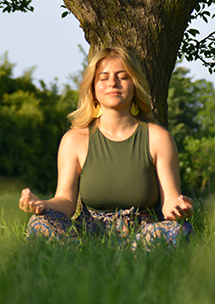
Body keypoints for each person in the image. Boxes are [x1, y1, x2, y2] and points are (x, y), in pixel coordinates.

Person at [19, 46, 194, 247]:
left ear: (135, 84)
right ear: (92, 88)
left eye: (123, 76)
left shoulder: (158, 137)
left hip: (143, 232)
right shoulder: (74, 139)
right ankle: (80, 257)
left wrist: (179, 208)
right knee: (40, 224)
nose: (113, 83)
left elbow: (170, 198)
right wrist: (42, 204)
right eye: (103, 78)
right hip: (87, 232)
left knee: (180, 230)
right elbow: (66, 201)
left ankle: (133, 257)